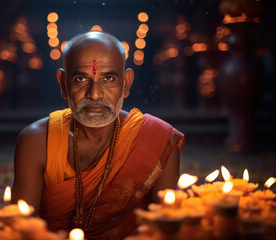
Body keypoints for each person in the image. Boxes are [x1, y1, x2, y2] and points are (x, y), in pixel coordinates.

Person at [11, 31, 185, 240]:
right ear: (64, 84)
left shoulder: (158, 140)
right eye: (81, 79)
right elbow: (20, 230)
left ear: (127, 83)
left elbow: (166, 232)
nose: (95, 94)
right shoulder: (37, 142)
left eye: (108, 78)